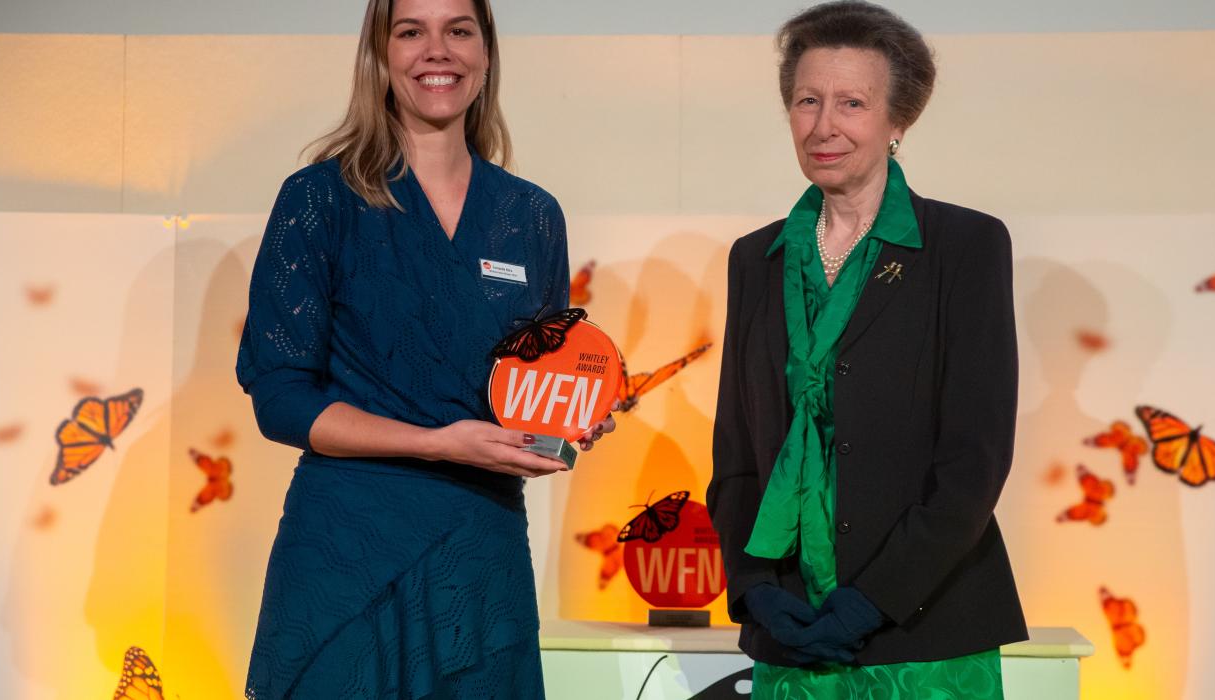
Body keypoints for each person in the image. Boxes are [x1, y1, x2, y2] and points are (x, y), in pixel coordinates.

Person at [236, 0, 614, 697]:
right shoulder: (320, 199)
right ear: (380, 55)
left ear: (487, 53)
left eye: (458, 30)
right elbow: (282, 402)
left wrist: (568, 418)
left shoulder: (530, 216)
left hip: (481, 551)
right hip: (351, 545)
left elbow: (540, 374)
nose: (436, 50)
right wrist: (440, 443)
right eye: (411, 31)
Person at [707, 2, 1027, 697]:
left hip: (927, 637)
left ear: (897, 120)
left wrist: (872, 600)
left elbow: (974, 463)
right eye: (807, 102)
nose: (825, 126)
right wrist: (756, 589)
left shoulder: (965, 247)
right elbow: (736, 453)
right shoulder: (753, 259)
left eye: (852, 103)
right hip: (791, 633)